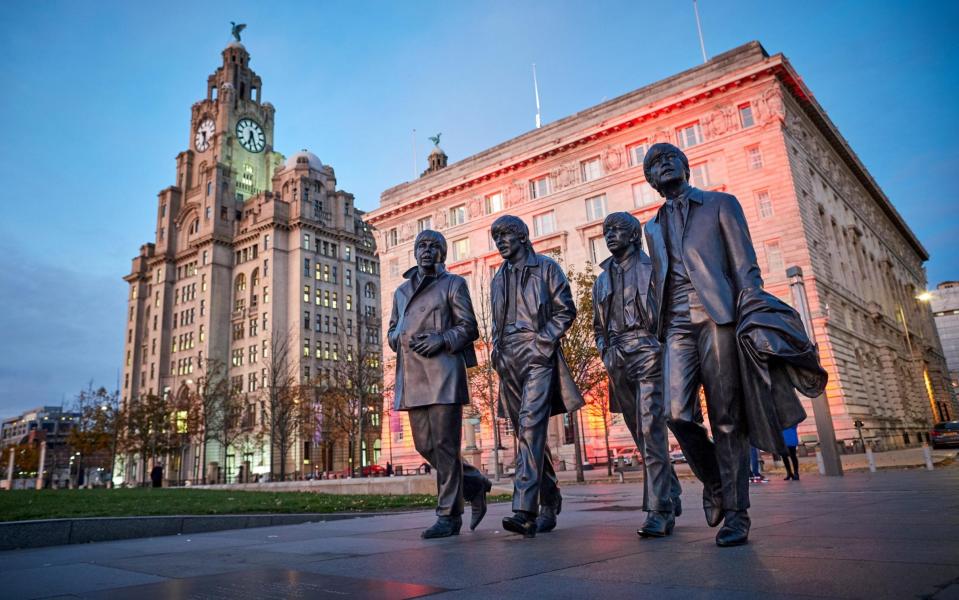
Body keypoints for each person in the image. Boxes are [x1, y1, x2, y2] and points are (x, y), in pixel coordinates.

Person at [643, 142, 762, 547]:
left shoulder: (720, 204)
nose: (664, 164)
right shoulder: (651, 227)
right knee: (675, 412)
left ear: (685, 165)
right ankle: (715, 481)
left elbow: (744, 265)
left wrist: (753, 313)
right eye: (655, 163)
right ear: (651, 180)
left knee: (727, 415)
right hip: (675, 323)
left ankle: (736, 513)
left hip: (718, 315)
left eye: (670, 157)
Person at [387, 230, 492, 538]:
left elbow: (468, 327)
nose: (428, 251)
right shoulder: (401, 292)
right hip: (413, 374)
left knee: (446, 445)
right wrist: (400, 337)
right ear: (415, 252)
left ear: (443, 253)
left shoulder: (453, 284)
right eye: (422, 245)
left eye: (434, 246)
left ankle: (449, 515)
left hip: (444, 371)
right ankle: (474, 482)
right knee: (425, 445)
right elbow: (393, 331)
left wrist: (441, 339)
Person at [490, 215, 585, 537]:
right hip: (509, 360)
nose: (500, 242)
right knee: (526, 433)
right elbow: (496, 323)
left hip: (538, 353)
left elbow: (565, 309)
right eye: (496, 237)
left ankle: (524, 510)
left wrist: (543, 342)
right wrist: (496, 352)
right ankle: (551, 497)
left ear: (522, 236)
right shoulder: (497, 279)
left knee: (531, 426)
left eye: (505, 235)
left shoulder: (546, 267)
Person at [592, 211, 682, 537]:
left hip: (649, 350)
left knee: (650, 428)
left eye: (617, 229)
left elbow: (671, 311)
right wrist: (606, 352)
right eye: (606, 230)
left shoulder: (653, 269)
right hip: (617, 357)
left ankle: (658, 510)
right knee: (639, 434)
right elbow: (597, 327)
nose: (610, 234)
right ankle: (670, 489)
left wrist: (660, 346)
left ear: (633, 235)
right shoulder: (601, 280)